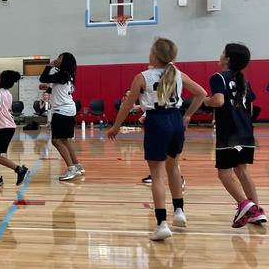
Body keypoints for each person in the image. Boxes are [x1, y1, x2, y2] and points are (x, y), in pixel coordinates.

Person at [108, 38, 206, 241]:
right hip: (175, 120)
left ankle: (162, 224)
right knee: (174, 167)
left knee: (157, 175)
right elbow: (201, 94)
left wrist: (116, 126)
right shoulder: (178, 74)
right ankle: (179, 211)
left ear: (154, 55)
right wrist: (187, 115)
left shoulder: (142, 76)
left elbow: (127, 105)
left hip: (156, 121)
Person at [204, 43, 267, 227]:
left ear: (228, 59)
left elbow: (218, 101)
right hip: (246, 133)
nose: (220, 55)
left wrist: (206, 102)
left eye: (223, 53)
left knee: (224, 174)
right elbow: (251, 108)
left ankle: (245, 204)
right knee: (242, 171)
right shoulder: (243, 80)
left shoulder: (218, 77)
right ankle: (257, 211)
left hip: (229, 134)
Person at [39, 53, 84, 181]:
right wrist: (47, 89)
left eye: (59, 58)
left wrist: (49, 66)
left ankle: (71, 168)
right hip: (68, 109)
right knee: (65, 140)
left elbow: (43, 78)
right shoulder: (67, 75)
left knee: (56, 140)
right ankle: (77, 165)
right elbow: (59, 89)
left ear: (65, 62)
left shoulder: (62, 74)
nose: (56, 60)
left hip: (62, 110)